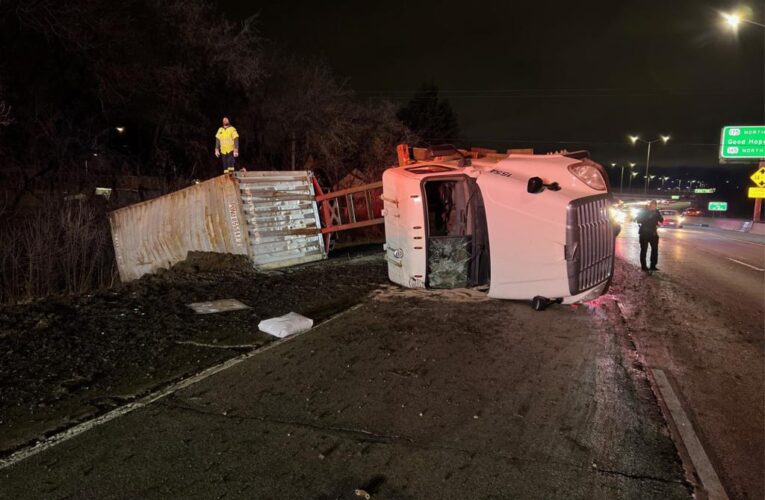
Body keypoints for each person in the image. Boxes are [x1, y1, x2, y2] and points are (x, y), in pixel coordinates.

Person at [635, 200, 664, 272]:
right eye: (652, 205)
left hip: (653, 233)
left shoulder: (657, 212)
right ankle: (644, 266)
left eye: (655, 205)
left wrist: (657, 214)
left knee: (655, 250)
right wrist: (648, 215)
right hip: (644, 233)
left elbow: (661, 220)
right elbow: (638, 220)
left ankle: (653, 266)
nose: (654, 207)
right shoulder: (644, 211)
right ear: (650, 205)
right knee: (644, 250)